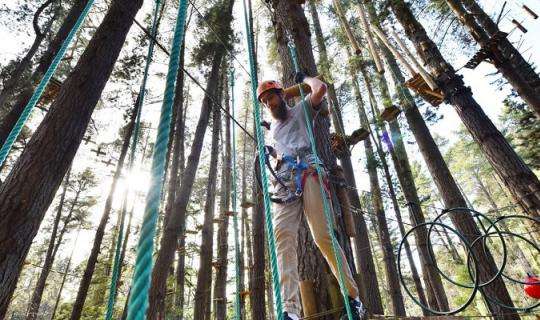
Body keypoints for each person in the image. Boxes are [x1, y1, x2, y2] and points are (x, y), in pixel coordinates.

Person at [256, 73, 367, 320]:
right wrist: (271, 154)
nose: (270, 104)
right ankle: (290, 310)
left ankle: (353, 298)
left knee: (322, 236)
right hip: (284, 179)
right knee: (282, 236)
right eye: (265, 102)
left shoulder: (301, 109)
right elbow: (281, 149)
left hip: (308, 171)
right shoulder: (272, 127)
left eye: (272, 98)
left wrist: (304, 79)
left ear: (282, 96)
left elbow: (320, 88)